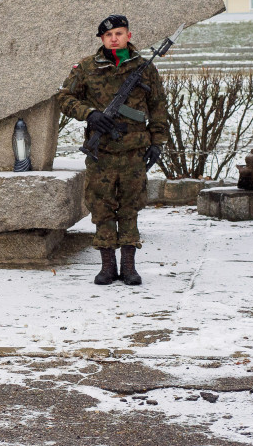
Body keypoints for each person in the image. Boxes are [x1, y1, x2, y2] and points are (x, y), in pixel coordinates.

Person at [56, 14, 169, 286]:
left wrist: (157, 142)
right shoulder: (86, 68)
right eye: (108, 35)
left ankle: (129, 266)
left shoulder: (144, 68)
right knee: (102, 207)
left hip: (134, 151)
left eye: (119, 33)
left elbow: (158, 107)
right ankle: (108, 266)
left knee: (130, 207)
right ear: (102, 39)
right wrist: (90, 114)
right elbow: (63, 97)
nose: (114, 38)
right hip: (102, 152)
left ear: (128, 36)